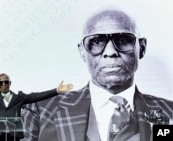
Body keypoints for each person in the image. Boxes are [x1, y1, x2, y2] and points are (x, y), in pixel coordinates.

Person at [20, 7, 173, 141]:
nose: (111, 52)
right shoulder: (40, 111)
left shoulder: (170, 112)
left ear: (142, 48)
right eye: (96, 42)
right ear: (82, 51)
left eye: (123, 40)